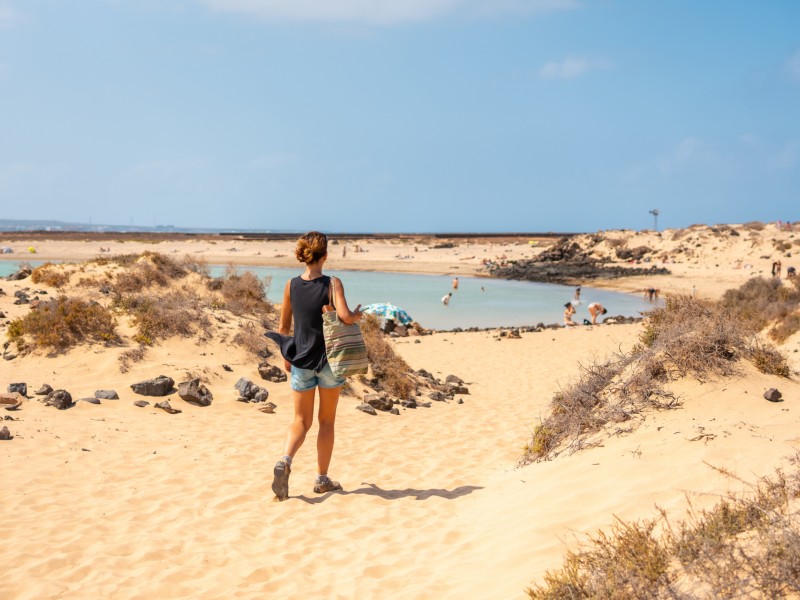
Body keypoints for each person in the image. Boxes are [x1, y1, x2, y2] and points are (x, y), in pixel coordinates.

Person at [265, 231, 363, 501]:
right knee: (326, 421)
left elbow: (284, 326)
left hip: (301, 361)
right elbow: (344, 317)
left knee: (300, 420)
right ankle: (321, 479)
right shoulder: (333, 283)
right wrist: (355, 315)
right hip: (330, 361)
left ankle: (285, 460)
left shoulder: (290, 285)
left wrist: (287, 356)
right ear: (325, 256)